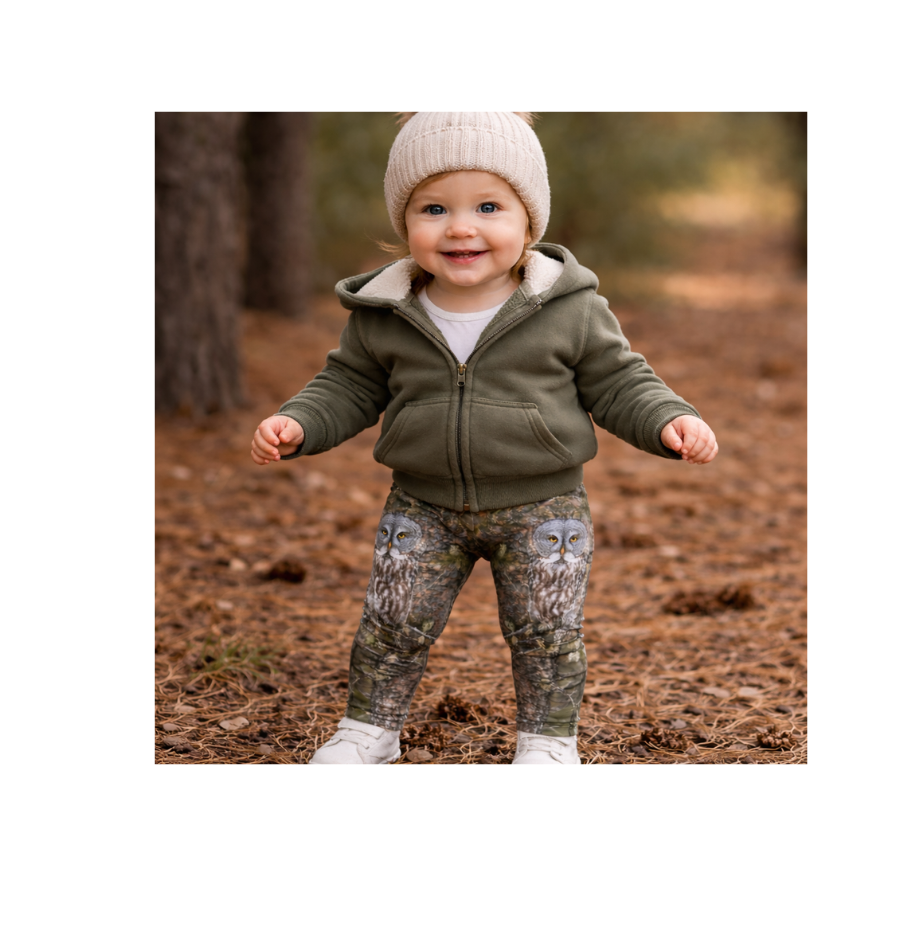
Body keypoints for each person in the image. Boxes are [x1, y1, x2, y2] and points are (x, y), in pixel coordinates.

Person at [250, 112, 718, 765]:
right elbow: (350, 386)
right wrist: (299, 421)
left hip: (544, 510)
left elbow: (618, 382)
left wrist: (668, 418)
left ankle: (548, 739)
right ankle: (370, 728)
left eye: (489, 206)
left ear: (529, 221)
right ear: (403, 221)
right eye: (434, 207)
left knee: (547, 631)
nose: (461, 227)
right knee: (392, 622)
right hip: (422, 505)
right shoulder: (387, 313)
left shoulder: (568, 306)